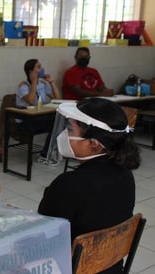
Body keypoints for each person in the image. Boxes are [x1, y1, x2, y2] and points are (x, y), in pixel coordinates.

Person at [38, 97, 140, 274]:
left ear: (94, 143)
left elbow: (42, 238)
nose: (64, 135)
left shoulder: (69, 184)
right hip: (111, 267)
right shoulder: (125, 175)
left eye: (70, 129)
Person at [16, 59, 61, 163]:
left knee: (58, 121)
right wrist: (34, 82)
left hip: (39, 117)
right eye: (38, 67)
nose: (41, 69)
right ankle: (46, 154)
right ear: (30, 71)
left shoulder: (43, 84)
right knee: (55, 124)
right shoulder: (23, 85)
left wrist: (51, 82)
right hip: (26, 120)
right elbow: (31, 100)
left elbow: (57, 99)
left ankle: (48, 153)